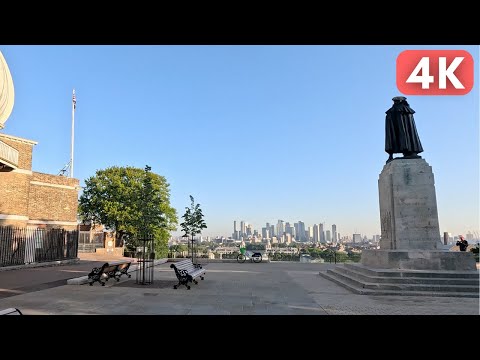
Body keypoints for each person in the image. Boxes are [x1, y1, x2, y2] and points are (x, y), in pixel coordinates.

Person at [385, 96, 424, 163]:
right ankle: (408, 151)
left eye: (397, 101)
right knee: (395, 137)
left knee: (406, 136)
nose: (395, 102)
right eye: (395, 101)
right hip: (397, 131)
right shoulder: (391, 112)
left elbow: (410, 127)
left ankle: (410, 151)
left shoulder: (405, 110)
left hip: (404, 132)